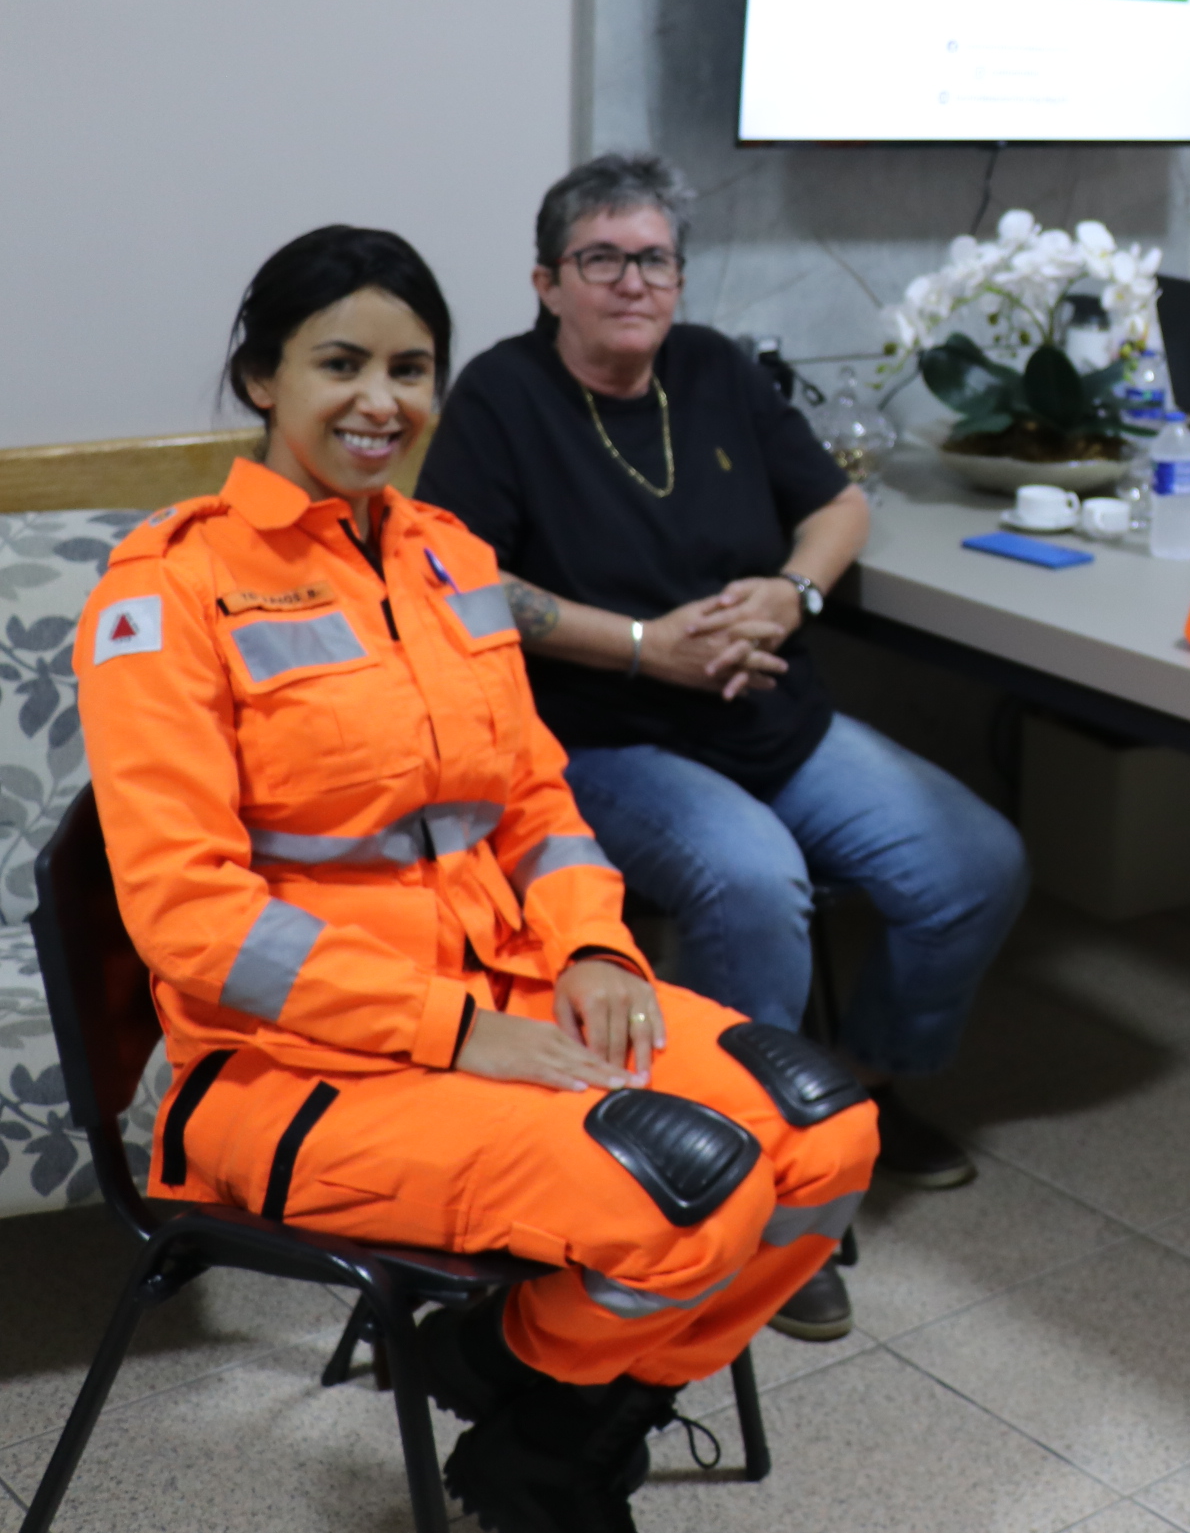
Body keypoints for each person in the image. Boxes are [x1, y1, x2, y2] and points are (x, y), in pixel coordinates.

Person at [75, 227, 878, 1531]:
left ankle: (526, 1401)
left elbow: (537, 805)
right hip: (294, 1065)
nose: (382, 401)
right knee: (683, 1192)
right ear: (261, 377)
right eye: (340, 362)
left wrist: (595, 951)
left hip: (512, 995)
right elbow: (192, 919)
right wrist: (458, 1031)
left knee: (831, 1130)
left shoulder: (448, 557)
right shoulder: (172, 591)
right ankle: (554, 1443)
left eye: (412, 367)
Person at [417, 154, 1029, 1345]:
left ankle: (860, 1090)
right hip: (603, 737)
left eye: (653, 257)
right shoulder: (501, 396)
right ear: (548, 281)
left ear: (680, 278)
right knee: (755, 881)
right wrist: (648, 648)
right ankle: (755, 1187)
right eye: (601, 258)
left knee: (973, 860)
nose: (631, 280)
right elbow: (464, 584)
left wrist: (792, 597)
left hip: (764, 706)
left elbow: (841, 504)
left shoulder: (716, 371)